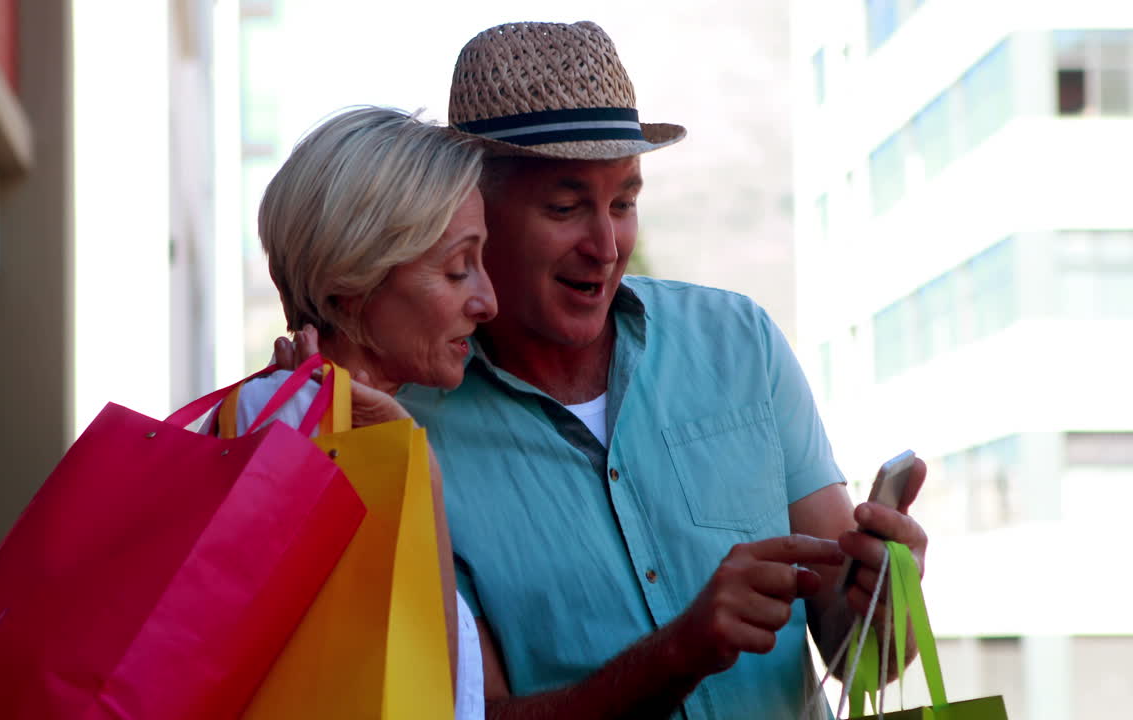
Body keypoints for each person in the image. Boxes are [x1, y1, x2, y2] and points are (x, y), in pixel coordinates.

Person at [388, 21, 931, 719]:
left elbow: (860, 654)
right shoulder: (414, 438)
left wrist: (890, 601)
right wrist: (679, 653)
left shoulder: (742, 345)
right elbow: (471, 714)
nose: (607, 245)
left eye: (624, 202)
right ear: (473, 211)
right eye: (565, 206)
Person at [219, 106, 496, 720]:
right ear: (353, 282)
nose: (487, 301)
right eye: (457, 269)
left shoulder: (306, 422)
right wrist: (411, 463)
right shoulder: (296, 442)